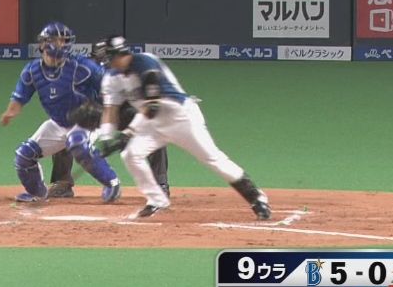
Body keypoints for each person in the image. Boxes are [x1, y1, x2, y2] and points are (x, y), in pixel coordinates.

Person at [93, 36, 272, 220]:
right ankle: (156, 200)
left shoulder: (146, 63)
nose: (111, 62)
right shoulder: (111, 78)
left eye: (113, 57)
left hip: (181, 117)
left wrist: (128, 133)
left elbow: (152, 105)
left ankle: (257, 198)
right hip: (153, 123)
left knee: (213, 159)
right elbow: (110, 109)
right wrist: (106, 137)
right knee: (131, 154)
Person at [0, 22, 121, 203]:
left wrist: (102, 107)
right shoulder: (32, 71)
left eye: (64, 41)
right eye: (56, 40)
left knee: (77, 143)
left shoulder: (82, 66)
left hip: (85, 121)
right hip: (58, 123)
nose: (61, 44)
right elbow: (20, 97)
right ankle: (38, 193)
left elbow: (110, 84)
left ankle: (112, 183)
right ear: (43, 43)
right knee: (24, 155)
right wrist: (10, 112)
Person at [47, 39, 170, 198]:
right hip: (96, 114)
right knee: (65, 127)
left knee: (153, 129)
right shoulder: (84, 73)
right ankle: (62, 182)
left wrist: (130, 131)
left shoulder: (129, 71)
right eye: (101, 60)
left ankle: (160, 184)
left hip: (125, 113)